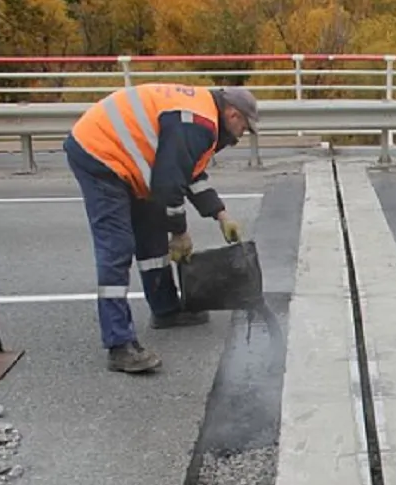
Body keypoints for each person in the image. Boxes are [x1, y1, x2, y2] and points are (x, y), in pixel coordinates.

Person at [63, 83, 257, 373]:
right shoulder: (198, 124)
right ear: (233, 115)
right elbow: (169, 185)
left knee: (152, 230)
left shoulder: (202, 116)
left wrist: (221, 214)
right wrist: (179, 232)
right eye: (244, 128)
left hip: (127, 157)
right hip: (100, 154)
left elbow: (188, 174)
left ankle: (165, 310)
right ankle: (119, 344)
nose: (241, 136)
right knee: (117, 247)